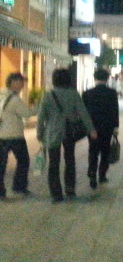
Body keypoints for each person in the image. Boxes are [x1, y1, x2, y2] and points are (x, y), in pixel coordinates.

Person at [37, 68, 97, 203]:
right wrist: (91, 130)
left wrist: (39, 134)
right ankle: (70, 189)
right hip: (70, 132)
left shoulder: (48, 95)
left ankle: (56, 194)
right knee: (70, 160)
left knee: (53, 163)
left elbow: (41, 117)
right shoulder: (73, 94)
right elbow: (83, 113)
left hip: (52, 133)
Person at [0, 73, 37, 198]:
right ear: (14, 82)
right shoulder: (14, 100)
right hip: (15, 135)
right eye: (21, 82)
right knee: (23, 161)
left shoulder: (1, 95)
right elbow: (27, 113)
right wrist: (37, 107)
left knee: (1, 164)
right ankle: (19, 186)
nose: (22, 85)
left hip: (1, 135)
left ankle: (1, 191)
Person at [82, 68, 119, 189]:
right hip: (107, 127)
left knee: (93, 151)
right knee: (105, 151)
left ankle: (92, 174)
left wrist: (86, 127)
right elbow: (115, 111)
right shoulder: (112, 93)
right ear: (107, 79)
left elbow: (84, 112)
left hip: (92, 127)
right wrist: (116, 127)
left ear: (95, 78)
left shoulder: (87, 93)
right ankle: (102, 175)